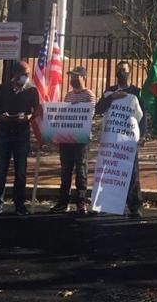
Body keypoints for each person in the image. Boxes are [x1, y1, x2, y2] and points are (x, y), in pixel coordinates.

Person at [0, 61, 41, 216]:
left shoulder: (31, 90)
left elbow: (37, 109)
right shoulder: (2, 89)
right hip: (4, 133)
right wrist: (0, 116)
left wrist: (28, 117)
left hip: (21, 133)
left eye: (28, 74)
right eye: (24, 74)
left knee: (21, 171)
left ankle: (19, 205)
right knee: (0, 170)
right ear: (15, 74)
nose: (26, 77)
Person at [96, 60, 143, 218]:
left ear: (129, 72)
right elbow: (99, 109)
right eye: (119, 70)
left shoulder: (136, 91)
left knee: (132, 173)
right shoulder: (110, 91)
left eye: (124, 70)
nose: (121, 73)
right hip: (112, 141)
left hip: (128, 141)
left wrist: (141, 136)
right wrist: (112, 98)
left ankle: (134, 206)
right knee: (110, 173)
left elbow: (141, 116)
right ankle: (109, 203)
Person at [51, 66, 96, 215]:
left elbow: (88, 114)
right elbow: (65, 114)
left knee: (81, 170)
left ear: (84, 77)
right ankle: (63, 202)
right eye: (71, 77)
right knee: (65, 170)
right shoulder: (68, 96)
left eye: (76, 76)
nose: (73, 80)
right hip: (66, 138)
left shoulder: (89, 95)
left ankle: (81, 202)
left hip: (81, 139)